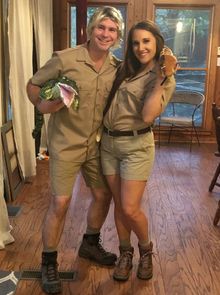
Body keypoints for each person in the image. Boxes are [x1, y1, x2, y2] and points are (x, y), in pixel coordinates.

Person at [26, 6, 124, 294]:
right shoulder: (64, 59)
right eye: (101, 28)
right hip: (65, 144)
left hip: (96, 145)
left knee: (103, 195)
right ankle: (48, 262)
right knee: (60, 203)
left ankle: (90, 244)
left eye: (112, 30)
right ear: (90, 29)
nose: (105, 34)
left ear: (117, 35)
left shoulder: (115, 67)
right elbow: (32, 85)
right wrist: (43, 106)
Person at [101, 20, 177, 282]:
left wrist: (161, 77)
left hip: (136, 147)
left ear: (157, 43)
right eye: (135, 42)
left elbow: (146, 116)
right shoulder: (126, 69)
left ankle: (145, 250)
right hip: (108, 144)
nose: (140, 47)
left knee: (131, 208)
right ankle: (125, 253)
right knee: (120, 205)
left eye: (146, 41)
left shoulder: (164, 77)